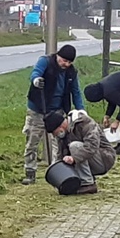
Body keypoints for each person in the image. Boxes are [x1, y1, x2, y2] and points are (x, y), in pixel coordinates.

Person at [22, 44, 84, 185]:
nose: (66, 64)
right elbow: (35, 72)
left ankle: (58, 171)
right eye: (63, 61)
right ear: (58, 56)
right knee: (32, 141)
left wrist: (81, 110)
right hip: (38, 109)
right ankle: (30, 172)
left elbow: (76, 91)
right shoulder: (45, 61)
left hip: (58, 110)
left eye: (69, 62)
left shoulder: (71, 72)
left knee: (60, 142)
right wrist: (36, 80)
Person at [43, 110, 116, 194]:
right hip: (91, 158)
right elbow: (60, 154)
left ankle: (88, 183)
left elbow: (92, 146)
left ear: (61, 125)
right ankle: (82, 180)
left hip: (105, 158)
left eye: (54, 132)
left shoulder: (85, 123)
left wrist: (73, 158)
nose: (54, 135)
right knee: (70, 152)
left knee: (74, 146)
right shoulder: (62, 135)